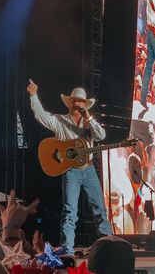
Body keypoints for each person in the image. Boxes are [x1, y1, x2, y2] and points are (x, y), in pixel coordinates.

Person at [27, 81, 112, 255]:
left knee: (99, 209)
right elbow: (41, 115)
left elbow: (101, 136)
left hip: (88, 170)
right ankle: (67, 250)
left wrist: (89, 117)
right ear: (69, 103)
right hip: (71, 171)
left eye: (80, 101)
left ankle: (110, 245)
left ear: (84, 105)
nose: (77, 104)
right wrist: (34, 95)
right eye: (74, 101)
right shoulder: (60, 120)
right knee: (69, 212)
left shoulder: (89, 123)